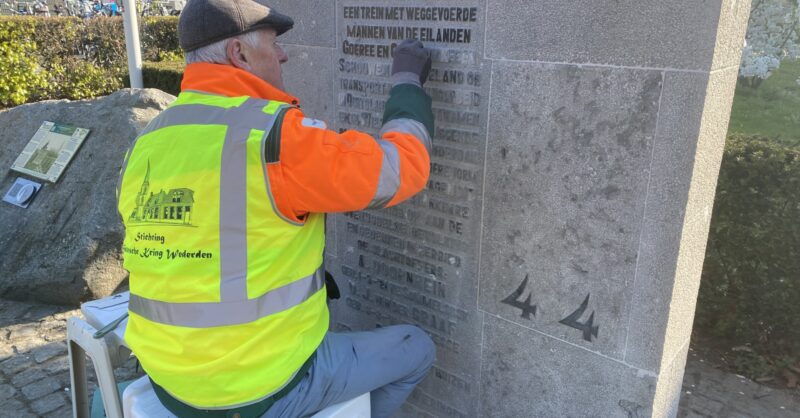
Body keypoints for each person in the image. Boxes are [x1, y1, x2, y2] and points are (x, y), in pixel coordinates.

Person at [115, 0, 436, 417]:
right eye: (273, 43)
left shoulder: (149, 138)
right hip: (258, 387)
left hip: (168, 380)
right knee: (416, 349)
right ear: (239, 53)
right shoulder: (274, 137)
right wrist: (408, 85)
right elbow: (399, 168)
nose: (284, 54)